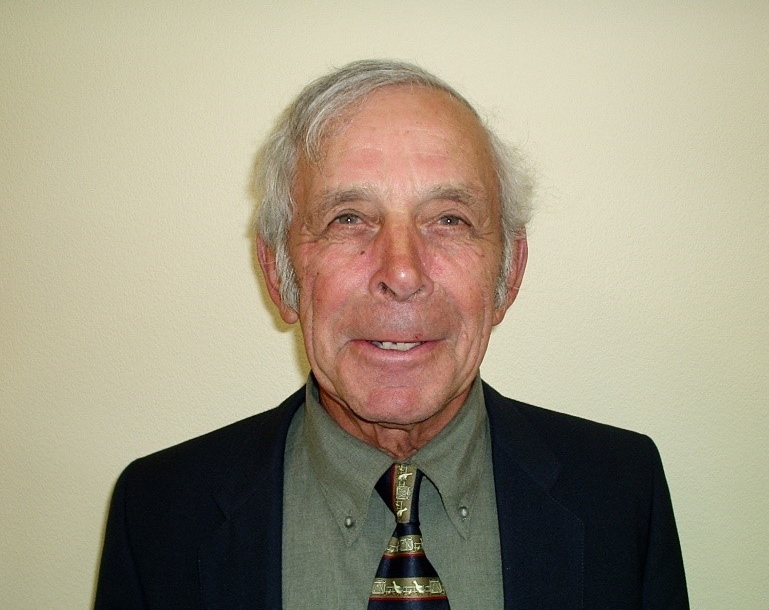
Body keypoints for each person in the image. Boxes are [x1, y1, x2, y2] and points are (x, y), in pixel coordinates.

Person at [95, 60, 688, 609]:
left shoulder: (622, 491)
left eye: (449, 220)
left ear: (508, 274)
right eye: (348, 219)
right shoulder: (157, 513)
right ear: (279, 274)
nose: (402, 273)